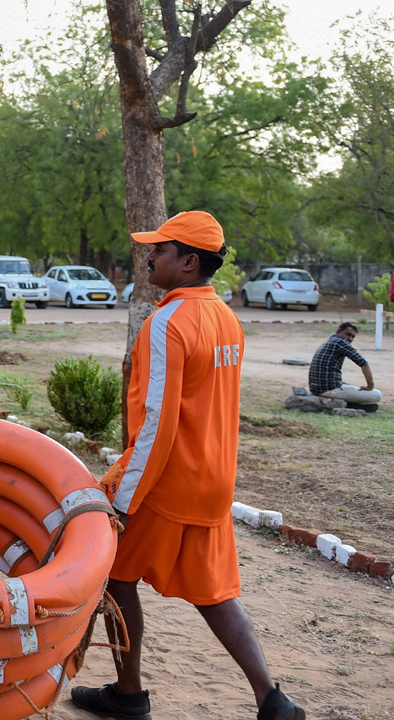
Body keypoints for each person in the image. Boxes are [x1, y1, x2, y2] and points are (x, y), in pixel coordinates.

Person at [72, 211, 304, 720]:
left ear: (188, 261)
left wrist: (124, 502)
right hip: (214, 482)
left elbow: (156, 426)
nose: (149, 256)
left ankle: (128, 695)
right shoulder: (226, 318)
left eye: (160, 250)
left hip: (166, 484)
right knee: (214, 594)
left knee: (113, 575)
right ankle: (272, 698)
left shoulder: (168, 322)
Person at [308, 322, 381, 408]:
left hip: (315, 389)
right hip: (329, 389)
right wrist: (370, 386)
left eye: (353, 336)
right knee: (377, 394)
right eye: (348, 334)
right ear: (338, 331)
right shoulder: (340, 342)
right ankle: (347, 405)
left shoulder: (331, 340)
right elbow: (363, 363)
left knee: (351, 387)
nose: (350, 338)